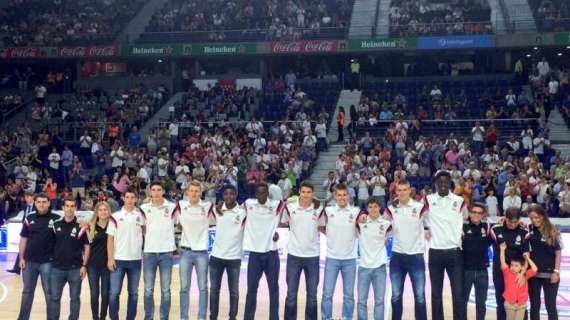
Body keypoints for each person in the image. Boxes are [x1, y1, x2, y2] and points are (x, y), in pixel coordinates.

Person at [383, 179, 428, 320]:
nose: (402, 193)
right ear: (396, 191)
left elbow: (433, 223)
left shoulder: (420, 207)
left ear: (410, 191)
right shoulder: (390, 209)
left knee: (420, 296)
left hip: (416, 256)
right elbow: (382, 226)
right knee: (396, 296)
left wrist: (428, 229)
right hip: (397, 256)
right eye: (399, 190)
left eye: (405, 190)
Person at [425, 171, 467, 320]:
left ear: (450, 184)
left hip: (454, 252)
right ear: (436, 184)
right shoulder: (428, 200)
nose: (443, 185)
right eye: (440, 182)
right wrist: (425, 228)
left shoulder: (460, 201)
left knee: (458, 293)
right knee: (436, 294)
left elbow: (467, 220)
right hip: (435, 252)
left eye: (445, 182)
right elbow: (417, 217)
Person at [243, 183, 286, 320]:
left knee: (273, 289)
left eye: (264, 192)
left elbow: (292, 203)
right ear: (256, 194)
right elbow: (233, 209)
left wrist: (277, 232)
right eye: (259, 192)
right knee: (251, 289)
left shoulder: (276, 205)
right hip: (255, 254)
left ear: (268, 194)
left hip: (271, 253)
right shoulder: (248, 204)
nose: (261, 195)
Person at [282, 181, 324, 320]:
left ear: (313, 194)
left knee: (312, 296)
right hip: (294, 255)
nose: (306, 195)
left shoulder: (318, 209)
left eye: (309, 192)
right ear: (299, 192)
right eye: (304, 192)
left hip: (312, 256)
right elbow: (282, 222)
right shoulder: (290, 207)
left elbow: (323, 227)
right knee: (291, 295)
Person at [321, 183, 361, 320]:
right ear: (334, 196)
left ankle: (347, 317)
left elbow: (365, 227)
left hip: (350, 259)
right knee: (327, 293)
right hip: (332, 258)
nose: (342, 197)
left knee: (349, 294)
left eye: (344, 195)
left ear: (348, 196)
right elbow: (320, 226)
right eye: (339, 195)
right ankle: (326, 318)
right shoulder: (327, 211)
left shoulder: (356, 211)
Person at [17, 194, 59, 320]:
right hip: (29, 262)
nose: (41, 204)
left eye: (44, 202)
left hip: (49, 262)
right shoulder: (29, 218)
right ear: (35, 203)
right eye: (39, 202)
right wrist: (21, 258)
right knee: (27, 293)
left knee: (50, 294)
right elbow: (23, 239)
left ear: (49, 203)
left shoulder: (56, 219)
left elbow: (62, 240)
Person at [140, 181, 178, 320]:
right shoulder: (143, 208)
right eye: (153, 190)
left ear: (163, 191)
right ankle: (148, 317)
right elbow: (142, 227)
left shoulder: (172, 207)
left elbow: (180, 224)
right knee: (148, 290)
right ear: (150, 192)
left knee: (166, 290)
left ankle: (164, 317)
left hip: (166, 253)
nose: (156, 192)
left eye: (158, 190)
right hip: (149, 252)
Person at [49, 198, 90, 320]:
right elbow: (49, 244)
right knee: (55, 298)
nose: (69, 208)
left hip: (75, 269)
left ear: (75, 208)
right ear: (63, 208)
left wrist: (84, 266)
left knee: (75, 299)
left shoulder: (81, 226)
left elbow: (87, 247)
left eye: (72, 206)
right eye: (67, 206)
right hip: (57, 269)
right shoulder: (55, 225)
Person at [178, 181, 214, 320]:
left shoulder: (208, 206)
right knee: (184, 288)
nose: (194, 193)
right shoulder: (180, 206)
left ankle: (202, 317)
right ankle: (184, 317)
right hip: (185, 252)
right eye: (191, 191)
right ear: (187, 192)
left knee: (203, 288)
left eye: (196, 191)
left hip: (202, 253)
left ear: (201, 192)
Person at [107, 188, 145, 320]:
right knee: (114, 293)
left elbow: (146, 232)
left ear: (136, 199)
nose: (129, 200)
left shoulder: (141, 215)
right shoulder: (115, 216)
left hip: (135, 260)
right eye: (127, 197)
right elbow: (110, 239)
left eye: (132, 197)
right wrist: (110, 258)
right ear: (123, 198)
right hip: (118, 260)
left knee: (133, 293)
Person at [209, 185, 246, 320]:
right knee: (214, 290)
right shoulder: (216, 210)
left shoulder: (242, 212)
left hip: (234, 257)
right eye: (226, 194)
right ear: (222, 196)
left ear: (236, 195)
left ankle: (232, 317)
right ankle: (213, 316)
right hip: (216, 256)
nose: (229, 196)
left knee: (234, 291)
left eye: (231, 194)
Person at [490, 208, 529, 320]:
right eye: (510, 221)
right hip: (500, 272)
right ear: (505, 218)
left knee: (521, 302)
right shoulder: (495, 229)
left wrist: (523, 272)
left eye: (515, 222)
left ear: (519, 220)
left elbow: (527, 256)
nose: (513, 224)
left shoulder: (524, 232)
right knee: (501, 301)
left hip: (519, 274)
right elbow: (481, 223)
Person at [356, 198, 391, 320]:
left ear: (380, 207)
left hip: (380, 267)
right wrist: (360, 215)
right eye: (370, 207)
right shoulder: (360, 223)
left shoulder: (386, 224)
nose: (373, 209)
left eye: (375, 206)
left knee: (379, 301)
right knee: (361, 301)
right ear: (367, 209)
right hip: (364, 267)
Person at [527, 205, 561, 320]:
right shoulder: (528, 229)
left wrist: (556, 272)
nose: (534, 220)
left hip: (550, 274)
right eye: (531, 218)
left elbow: (558, 253)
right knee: (534, 306)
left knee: (550, 306)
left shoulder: (553, 230)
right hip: (533, 275)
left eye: (537, 217)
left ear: (543, 216)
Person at [462, 203, 493, 320]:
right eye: (474, 212)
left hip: (482, 271)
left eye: (479, 213)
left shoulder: (487, 227)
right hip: (466, 270)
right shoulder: (462, 227)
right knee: (462, 300)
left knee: (481, 303)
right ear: (470, 213)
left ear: (483, 215)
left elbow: (504, 226)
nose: (476, 215)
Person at [499, 242, 537, 320]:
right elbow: (503, 263)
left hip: (521, 304)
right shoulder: (507, 273)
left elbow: (535, 269)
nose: (513, 267)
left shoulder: (525, 275)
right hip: (509, 303)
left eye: (516, 266)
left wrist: (528, 258)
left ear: (521, 267)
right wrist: (502, 250)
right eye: (512, 265)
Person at [87, 202, 112, 320]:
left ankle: (103, 317)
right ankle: (95, 317)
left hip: (107, 265)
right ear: (96, 212)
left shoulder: (113, 226)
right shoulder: (90, 226)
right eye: (100, 210)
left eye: (105, 209)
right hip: (92, 265)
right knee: (94, 294)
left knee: (106, 294)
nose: (103, 212)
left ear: (108, 211)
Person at [7, 191, 35, 274]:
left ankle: (19, 268)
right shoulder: (26, 206)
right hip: (26, 231)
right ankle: (17, 268)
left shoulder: (36, 206)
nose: (27, 199)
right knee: (22, 249)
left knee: (27, 250)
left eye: (28, 197)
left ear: (32, 197)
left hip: (34, 231)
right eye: (26, 197)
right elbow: (25, 217)